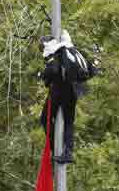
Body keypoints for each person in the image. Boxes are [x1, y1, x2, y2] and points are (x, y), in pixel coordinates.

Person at [38, 30, 96, 163]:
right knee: (69, 121)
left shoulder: (53, 50)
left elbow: (53, 70)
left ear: (45, 44)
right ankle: (68, 153)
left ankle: (54, 147)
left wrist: (42, 75)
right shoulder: (69, 48)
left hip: (60, 88)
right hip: (74, 88)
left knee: (44, 118)